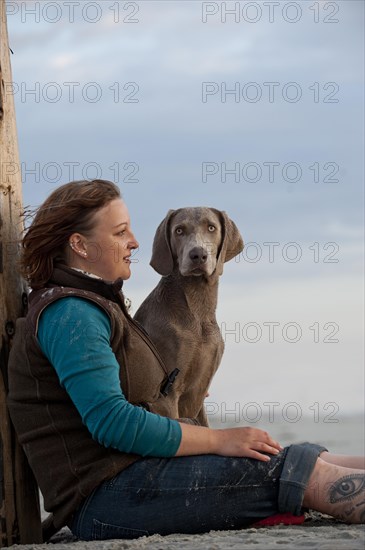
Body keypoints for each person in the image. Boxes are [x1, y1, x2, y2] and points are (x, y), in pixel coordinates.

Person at [7, 179, 365, 541]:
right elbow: (112, 423)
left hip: (131, 480)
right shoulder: (71, 313)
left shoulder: (93, 304)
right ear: (79, 244)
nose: (134, 241)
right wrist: (219, 440)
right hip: (110, 496)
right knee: (296, 474)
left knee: (303, 458)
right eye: (120, 232)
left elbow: (126, 398)